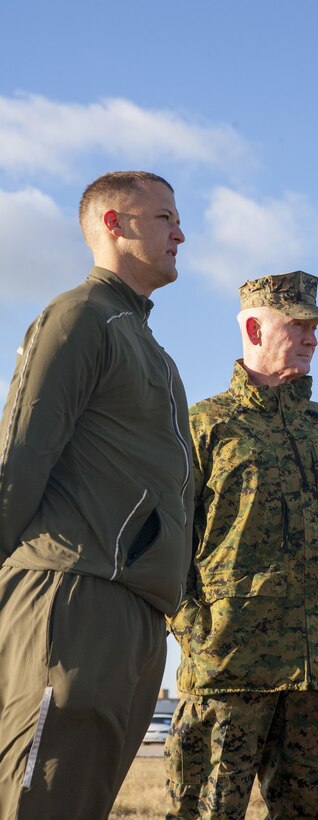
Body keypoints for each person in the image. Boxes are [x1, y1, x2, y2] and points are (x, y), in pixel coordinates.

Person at [0, 171, 194, 819]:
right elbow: (17, 457)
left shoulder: (152, 351)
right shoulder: (80, 317)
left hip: (134, 617)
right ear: (113, 223)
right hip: (71, 599)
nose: (180, 233)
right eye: (164, 217)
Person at [165, 270, 318, 819]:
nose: (313, 338)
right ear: (254, 328)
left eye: (317, 327)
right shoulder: (203, 427)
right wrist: (199, 633)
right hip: (230, 672)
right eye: (299, 325)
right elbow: (163, 543)